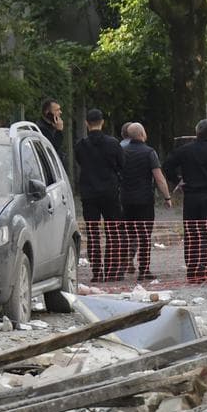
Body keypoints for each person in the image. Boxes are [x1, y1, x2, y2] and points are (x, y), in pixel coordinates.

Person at [163, 119, 207, 284]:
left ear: (196, 131)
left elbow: (167, 165)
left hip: (191, 198)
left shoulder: (185, 150)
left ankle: (192, 271)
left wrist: (177, 179)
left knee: (192, 234)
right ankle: (204, 270)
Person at [73, 108, 124, 282]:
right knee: (113, 232)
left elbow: (80, 161)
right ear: (102, 122)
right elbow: (121, 164)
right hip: (110, 192)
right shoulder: (113, 143)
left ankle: (97, 272)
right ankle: (111, 270)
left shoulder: (81, 145)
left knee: (93, 233)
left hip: (89, 193)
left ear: (87, 123)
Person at [119, 123, 172, 281]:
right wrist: (167, 197)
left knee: (126, 234)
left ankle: (121, 267)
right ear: (142, 133)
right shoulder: (149, 152)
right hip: (144, 200)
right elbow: (159, 177)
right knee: (144, 236)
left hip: (125, 199)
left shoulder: (122, 152)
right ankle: (144, 270)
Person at [37, 98, 65, 169]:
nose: (60, 112)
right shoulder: (41, 129)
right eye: (57, 110)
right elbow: (52, 148)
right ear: (48, 113)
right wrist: (59, 131)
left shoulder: (52, 127)